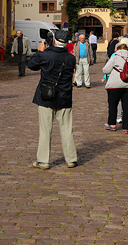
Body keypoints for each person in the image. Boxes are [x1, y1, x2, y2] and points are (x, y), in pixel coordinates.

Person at [27, 29, 77, 169]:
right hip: (65, 96)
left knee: (45, 130)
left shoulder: (46, 55)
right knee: (67, 129)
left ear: (53, 41)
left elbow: (31, 65)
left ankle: (43, 160)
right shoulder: (71, 57)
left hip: (46, 96)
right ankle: (71, 158)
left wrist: (39, 52)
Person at [101, 36, 128, 134]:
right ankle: (126, 128)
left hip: (115, 85)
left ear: (117, 49)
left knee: (113, 105)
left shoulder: (115, 57)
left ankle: (112, 124)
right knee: (127, 107)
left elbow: (105, 70)